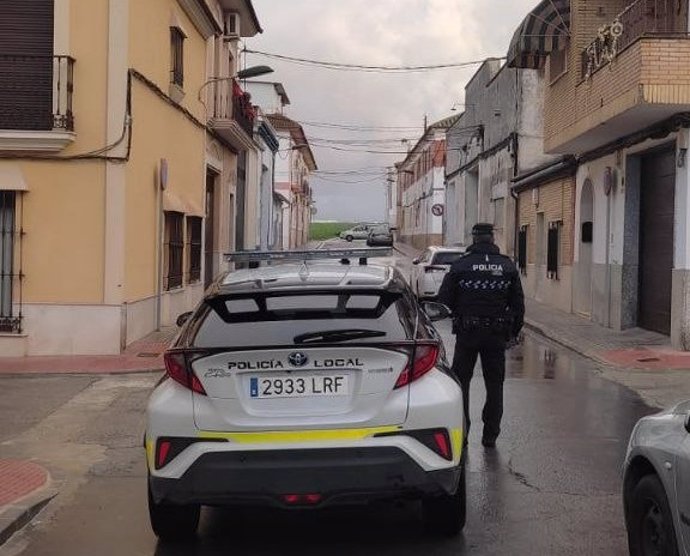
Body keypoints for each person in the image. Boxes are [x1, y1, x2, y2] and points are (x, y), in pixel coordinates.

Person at [438, 223, 524, 448]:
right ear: (492, 238)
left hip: (467, 334)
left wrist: (457, 313)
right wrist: (513, 332)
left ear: (475, 239)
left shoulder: (460, 266)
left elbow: (443, 301)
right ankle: (490, 435)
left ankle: (463, 433)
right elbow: (518, 305)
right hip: (496, 334)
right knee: (495, 385)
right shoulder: (507, 266)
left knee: (461, 383)